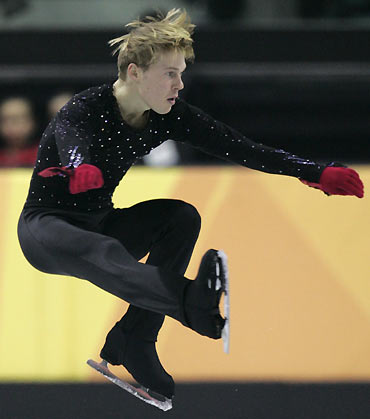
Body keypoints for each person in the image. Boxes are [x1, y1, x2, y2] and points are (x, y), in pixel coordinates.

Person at [17, 8, 364, 409]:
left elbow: (240, 146)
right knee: (103, 251)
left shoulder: (167, 116)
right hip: (45, 230)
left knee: (179, 216)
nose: (179, 84)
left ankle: (136, 340)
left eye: (181, 73)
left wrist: (313, 171)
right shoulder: (86, 107)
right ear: (134, 73)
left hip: (100, 222)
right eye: (170, 73)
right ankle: (192, 304)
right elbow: (70, 135)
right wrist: (80, 165)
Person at [0, 97, 39, 167]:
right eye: (5, 120)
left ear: (32, 122)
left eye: (17, 120)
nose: (11, 126)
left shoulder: (43, 156)